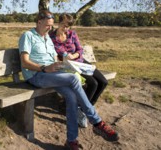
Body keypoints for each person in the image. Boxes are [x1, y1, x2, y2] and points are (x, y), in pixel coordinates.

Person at [18, 10, 119, 150]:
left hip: (52, 73)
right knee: (72, 78)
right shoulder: (27, 36)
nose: (50, 28)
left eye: (51, 25)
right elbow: (24, 63)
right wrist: (44, 68)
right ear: (39, 22)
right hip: (36, 75)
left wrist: (63, 65)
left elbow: (54, 58)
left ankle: (71, 141)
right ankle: (96, 122)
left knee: (71, 96)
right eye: (47, 25)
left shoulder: (47, 37)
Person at [49, 13, 108, 128]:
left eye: (68, 26)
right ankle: (82, 111)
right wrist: (63, 58)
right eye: (63, 25)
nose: (65, 28)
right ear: (58, 23)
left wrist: (74, 55)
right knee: (93, 83)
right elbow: (52, 53)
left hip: (80, 62)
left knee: (103, 82)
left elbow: (80, 49)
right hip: (68, 66)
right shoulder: (51, 37)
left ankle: (86, 108)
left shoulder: (72, 34)